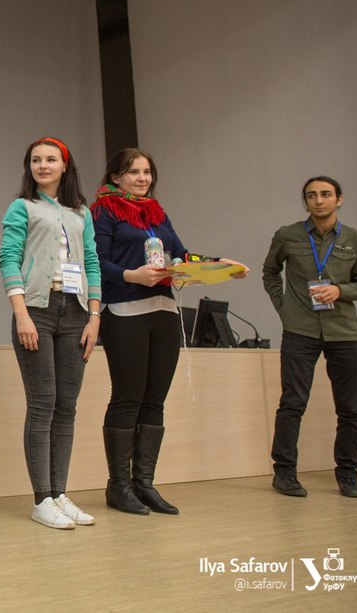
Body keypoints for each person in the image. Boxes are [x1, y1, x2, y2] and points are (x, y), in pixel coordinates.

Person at [91, 148, 244, 516]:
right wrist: (132, 275)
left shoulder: (157, 212)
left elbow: (180, 255)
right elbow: (95, 261)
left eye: (147, 172)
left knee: (154, 401)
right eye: (133, 172)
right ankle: (119, 486)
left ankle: (144, 483)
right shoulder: (103, 211)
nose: (142, 178)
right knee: (127, 398)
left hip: (164, 312)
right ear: (116, 177)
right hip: (124, 312)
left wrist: (217, 265)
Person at [0, 136, 101, 530]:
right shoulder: (22, 207)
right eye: (36, 160)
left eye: (51, 159)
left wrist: (95, 316)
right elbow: (8, 258)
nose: (43, 165)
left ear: (65, 165)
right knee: (42, 404)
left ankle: (59, 493)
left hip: (76, 312)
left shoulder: (80, 212)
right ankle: (41, 498)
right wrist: (21, 315)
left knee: (67, 406)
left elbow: (91, 261)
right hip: (36, 311)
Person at [263, 176, 357, 499]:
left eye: (326, 194)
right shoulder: (288, 235)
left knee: (350, 409)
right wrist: (285, 308)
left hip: (344, 331)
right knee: (292, 403)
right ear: (306, 201)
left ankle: (348, 475)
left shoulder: (356, 239)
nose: (319, 200)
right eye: (312, 195)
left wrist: (340, 290)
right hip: (300, 330)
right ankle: (284, 473)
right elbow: (270, 272)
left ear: (339, 199)